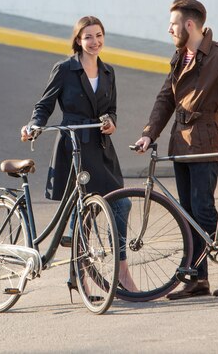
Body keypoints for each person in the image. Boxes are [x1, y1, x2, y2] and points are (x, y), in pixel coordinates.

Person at [134, 0, 218, 298]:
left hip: (204, 140)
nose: (169, 30)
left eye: (173, 24)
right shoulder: (180, 57)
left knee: (203, 209)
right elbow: (165, 99)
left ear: (189, 25)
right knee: (188, 211)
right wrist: (149, 134)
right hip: (181, 142)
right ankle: (198, 278)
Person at [21, 15, 138, 293]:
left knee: (121, 205)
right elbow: (45, 104)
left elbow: (112, 110)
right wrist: (35, 125)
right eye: (88, 36)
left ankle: (122, 270)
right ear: (78, 40)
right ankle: (79, 275)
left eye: (98, 35)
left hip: (101, 147)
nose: (94, 41)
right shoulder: (64, 69)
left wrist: (110, 122)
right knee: (81, 211)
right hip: (73, 145)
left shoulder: (108, 71)